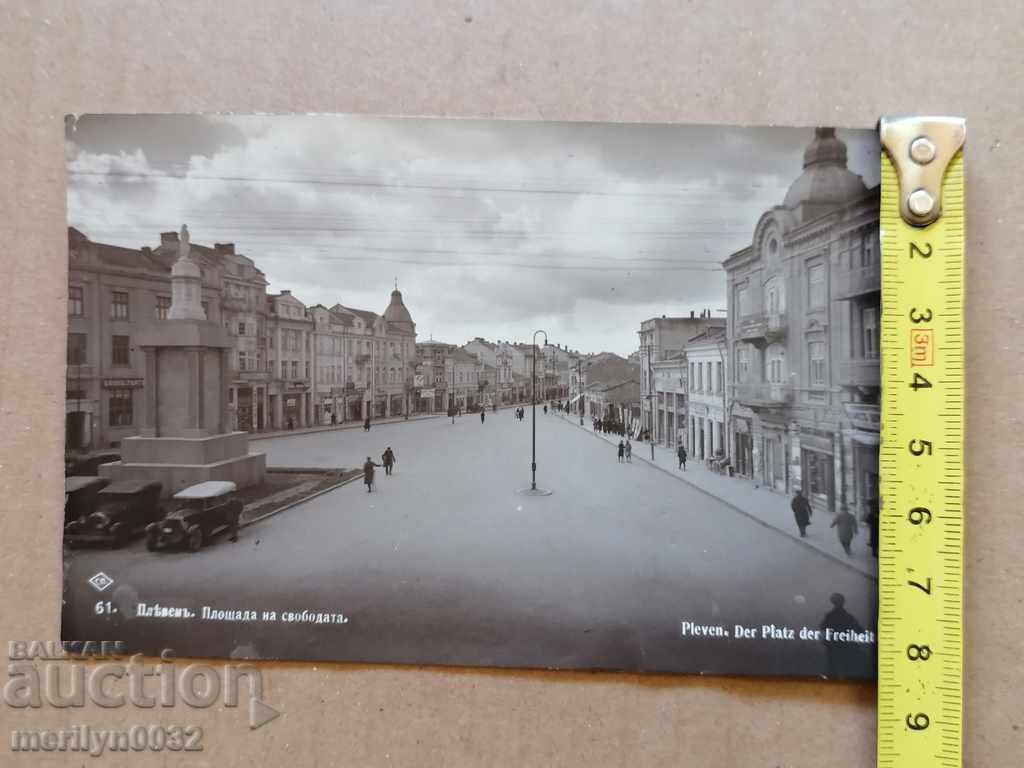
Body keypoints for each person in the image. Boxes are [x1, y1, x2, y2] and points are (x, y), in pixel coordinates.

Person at [819, 593, 869, 679]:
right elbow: (859, 630)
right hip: (842, 646)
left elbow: (822, 627)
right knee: (841, 669)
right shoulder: (847, 616)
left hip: (836, 646)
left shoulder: (831, 615)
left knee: (834, 669)